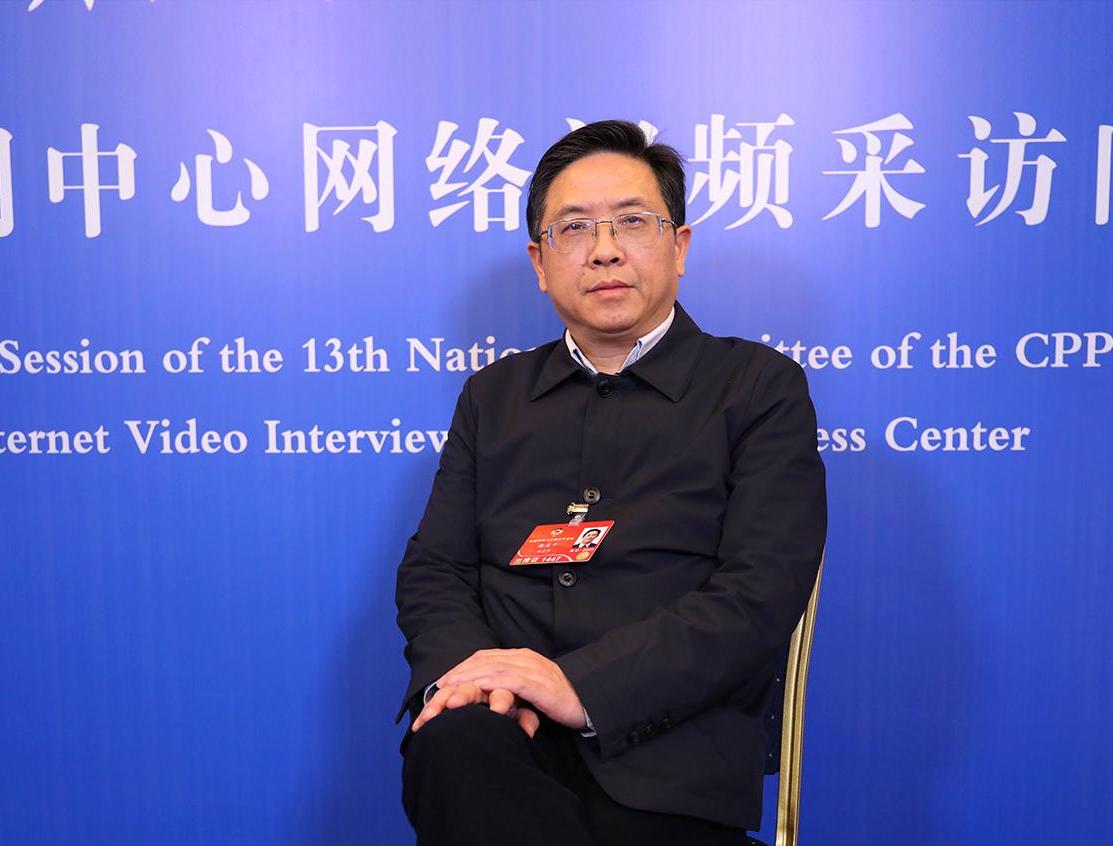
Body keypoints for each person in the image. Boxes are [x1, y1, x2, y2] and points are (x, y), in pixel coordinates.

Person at [395, 120, 826, 846]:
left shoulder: (756, 388)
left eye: (631, 221)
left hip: (670, 753)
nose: (604, 249)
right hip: (501, 739)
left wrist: (580, 686)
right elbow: (434, 571)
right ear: (539, 261)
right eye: (574, 228)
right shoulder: (493, 396)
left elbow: (760, 591)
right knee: (453, 749)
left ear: (678, 246)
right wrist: (475, 680)